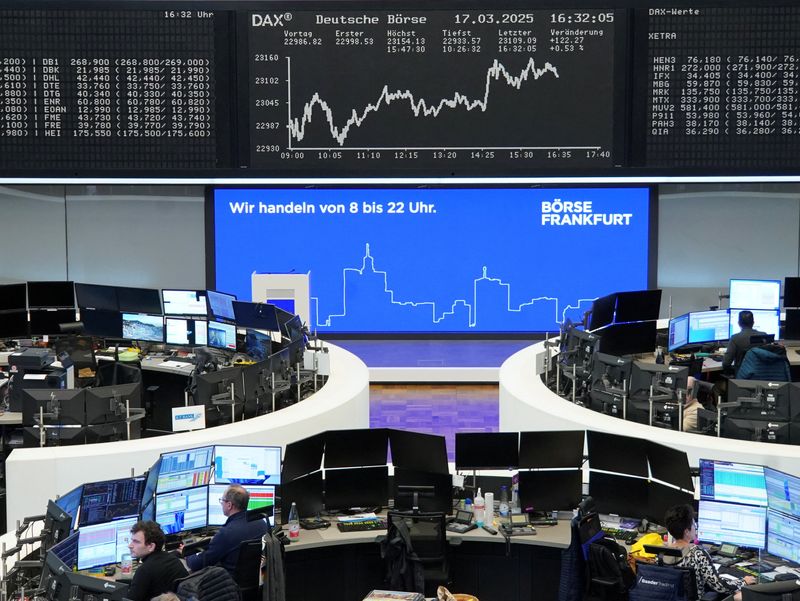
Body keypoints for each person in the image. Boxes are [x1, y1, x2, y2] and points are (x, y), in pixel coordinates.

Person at [663, 504, 755, 601]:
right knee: (739, 596)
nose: (695, 527)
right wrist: (743, 581)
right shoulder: (697, 553)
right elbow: (719, 586)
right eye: (694, 525)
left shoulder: (661, 554)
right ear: (686, 532)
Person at [184, 484, 269, 576]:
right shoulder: (261, 523)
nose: (221, 503)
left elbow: (196, 564)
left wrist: (187, 553)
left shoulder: (226, 533)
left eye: (222, 500)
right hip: (257, 581)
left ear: (229, 505)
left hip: (230, 585)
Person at [126, 520, 188, 601]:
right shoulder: (172, 559)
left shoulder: (145, 570)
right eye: (132, 540)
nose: (130, 545)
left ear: (151, 546)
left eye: (136, 542)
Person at [722, 310, 765, 375]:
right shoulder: (764, 336)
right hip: (762, 375)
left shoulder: (735, 338)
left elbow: (726, 363)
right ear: (753, 322)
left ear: (739, 323)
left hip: (742, 376)